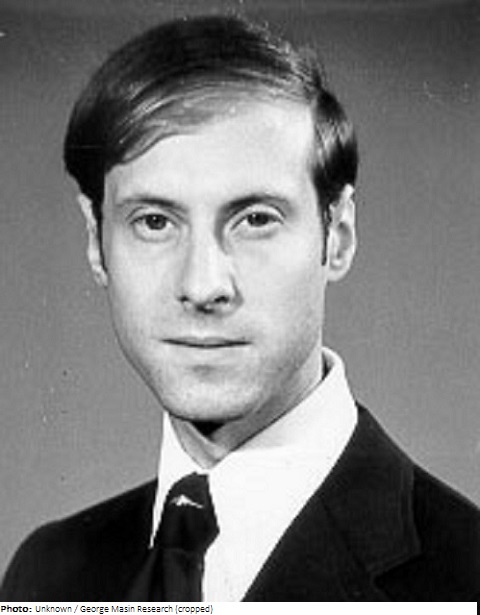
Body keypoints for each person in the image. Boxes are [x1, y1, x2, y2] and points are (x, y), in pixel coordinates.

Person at [1, 14, 479, 602]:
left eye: (255, 219)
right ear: (96, 242)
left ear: (338, 236)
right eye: (154, 222)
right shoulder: (46, 574)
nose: (203, 286)